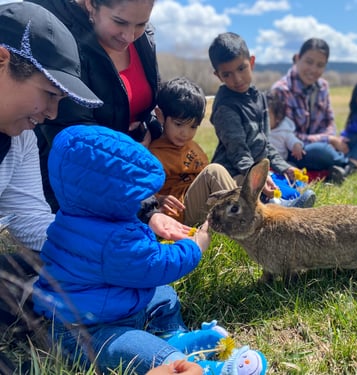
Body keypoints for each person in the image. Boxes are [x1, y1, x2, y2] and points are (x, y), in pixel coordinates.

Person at [32, 125, 267, 375]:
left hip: (109, 305)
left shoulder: (78, 215)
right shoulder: (113, 239)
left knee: (162, 295)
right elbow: (156, 264)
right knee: (133, 346)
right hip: (86, 332)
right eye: (135, 193)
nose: (143, 200)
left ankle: (173, 336)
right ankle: (193, 365)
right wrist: (194, 246)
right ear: (110, 195)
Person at [0, 0, 103, 361]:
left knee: (45, 271)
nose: (53, 114)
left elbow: (31, 221)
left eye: (59, 100)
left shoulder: (20, 138)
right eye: (48, 94)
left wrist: (99, 251)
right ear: (2, 60)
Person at [28, 0, 163, 212]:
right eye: (120, 22)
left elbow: (143, 103)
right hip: (76, 186)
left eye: (141, 24)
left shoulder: (144, 39)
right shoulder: (57, 37)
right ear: (91, 4)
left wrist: (152, 129)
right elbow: (76, 136)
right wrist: (143, 206)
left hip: (129, 176)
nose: (129, 36)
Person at [208, 32, 315, 207]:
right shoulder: (225, 107)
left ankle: (284, 196)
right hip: (234, 172)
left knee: (291, 183)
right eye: (227, 74)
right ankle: (279, 207)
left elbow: (264, 143)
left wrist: (283, 166)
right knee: (254, 194)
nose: (237, 79)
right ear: (218, 75)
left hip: (256, 167)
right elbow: (238, 152)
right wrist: (256, 175)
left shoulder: (259, 97)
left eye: (241, 69)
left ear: (251, 62)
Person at [149, 77, 237, 226]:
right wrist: (158, 199)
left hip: (203, 204)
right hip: (180, 213)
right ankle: (249, 221)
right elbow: (144, 192)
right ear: (160, 115)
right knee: (214, 171)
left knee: (239, 177)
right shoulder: (154, 154)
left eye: (193, 127)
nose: (185, 133)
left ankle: (251, 211)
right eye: (179, 124)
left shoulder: (192, 145)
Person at [270, 38, 350, 185]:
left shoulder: (323, 86)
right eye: (309, 62)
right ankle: (348, 163)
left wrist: (330, 137)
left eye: (320, 65)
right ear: (297, 58)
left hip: (321, 144)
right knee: (320, 151)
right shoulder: (281, 90)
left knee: (347, 140)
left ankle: (334, 165)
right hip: (294, 151)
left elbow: (329, 121)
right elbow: (287, 134)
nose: (313, 69)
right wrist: (328, 140)